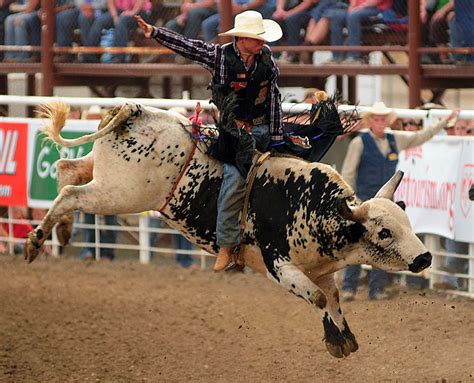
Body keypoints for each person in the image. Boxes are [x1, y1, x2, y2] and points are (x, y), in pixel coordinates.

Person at [135, 10, 284, 271]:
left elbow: (273, 99)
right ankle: (227, 244)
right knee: (233, 182)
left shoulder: (267, 61)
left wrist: (277, 136)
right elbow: (188, 47)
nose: (261, 42)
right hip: (234, 134)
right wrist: (156, 32)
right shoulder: (220, 57)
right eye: (256, 37)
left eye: (261, 37)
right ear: (242, 39)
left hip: (260, 130)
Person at [340, 101, 460, 301]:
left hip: (384, 204)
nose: (380, 122)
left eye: (383, 119)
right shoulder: (359, 143)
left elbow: (420, 137)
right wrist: (354, 201)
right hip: (365, 204)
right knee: (358, 246)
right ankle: (349, 287)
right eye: (377, 119)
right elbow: (348, 173)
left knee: (384, 245)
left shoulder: (394, 139)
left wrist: (442, 123)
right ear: (371, 121)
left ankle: (374, 288)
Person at [325, 0, 392, 64]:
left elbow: (376, 1)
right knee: (337, 17)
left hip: (377, 10)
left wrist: (360, 7)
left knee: (354, 16)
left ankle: (353, 57)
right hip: (357, 9)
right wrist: (352, 6)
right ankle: (336, 57)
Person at [201, 0, 276, 42]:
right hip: (232, 9)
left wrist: (243, 7)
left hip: (257, 9)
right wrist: (226, 9)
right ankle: (212, 55)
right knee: (208, 24)